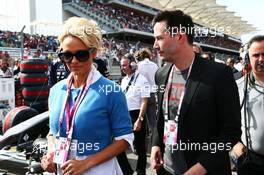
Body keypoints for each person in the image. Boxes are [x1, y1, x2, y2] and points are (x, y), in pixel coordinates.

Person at [150, 10, 241, 175]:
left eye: (159, 38)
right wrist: (156, 143)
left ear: (179, 36)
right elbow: (161, 116)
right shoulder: (161, 74)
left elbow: (231, 132)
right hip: (167, 169)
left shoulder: (219, 74)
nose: (155, 45)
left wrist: (201, 167)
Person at [41, 17, 134, 175]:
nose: (73, 61)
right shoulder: (56, 90)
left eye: (81, 55)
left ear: (94, 52)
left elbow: (124, 139)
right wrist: (50, 154)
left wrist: (85, 163)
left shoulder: (111, 91)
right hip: (62, 170)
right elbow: (53, 133)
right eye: (67, 56)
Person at [232, 35, 264, 175]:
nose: (261, 59)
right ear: (248, 59)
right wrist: (236, 145)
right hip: (250, 162)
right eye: (256, 55)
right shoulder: (238, 87)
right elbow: (225, 122)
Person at [118, 54, 150, 175]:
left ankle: (141, 171)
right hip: (124, 115)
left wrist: (140, 119)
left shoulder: (142, 79)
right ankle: (127, 171)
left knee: (140, 147)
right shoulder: (124, 80)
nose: (123, 68)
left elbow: (144, 101)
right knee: (119, 146)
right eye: (121, 66)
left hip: (137, 114)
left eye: (125, 65)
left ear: (133, 65)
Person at [134, 48, 159, 137]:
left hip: (142, 96)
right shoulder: (155, 65)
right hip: (153, 94)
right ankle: (155, 141)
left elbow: (135, 80)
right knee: (153, 121)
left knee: (140, 119)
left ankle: (143, 143)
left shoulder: (139, 65)